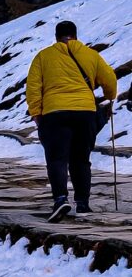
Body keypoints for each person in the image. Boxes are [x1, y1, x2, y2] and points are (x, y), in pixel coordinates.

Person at [26, 20, 117, 222]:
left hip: (54, 113)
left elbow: (33, 87)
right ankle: (82, 204)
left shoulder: (43, 56)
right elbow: (109, 79)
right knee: (81, 159)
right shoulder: (91, 54)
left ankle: (60, 199)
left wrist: (36, 114)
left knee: (57, 159)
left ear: (57, 37)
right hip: (85, 113)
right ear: (75, 35)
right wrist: (110, 96)